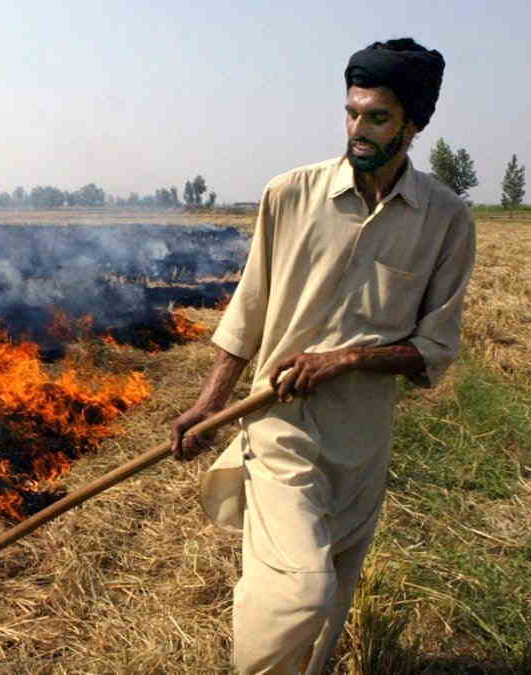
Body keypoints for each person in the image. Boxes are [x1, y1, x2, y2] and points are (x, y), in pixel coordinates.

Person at [169, 38, 475, 674]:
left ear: (414, 123)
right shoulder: (289, 194)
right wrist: (207, 404)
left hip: (362, 441)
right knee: (299, 593)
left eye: (377, 117)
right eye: (352, 112)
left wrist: (345, 360)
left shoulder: (446, 219)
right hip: (279, 426)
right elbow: (248, 311)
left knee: (329, 604)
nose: (358, 129)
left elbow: (434, 347)